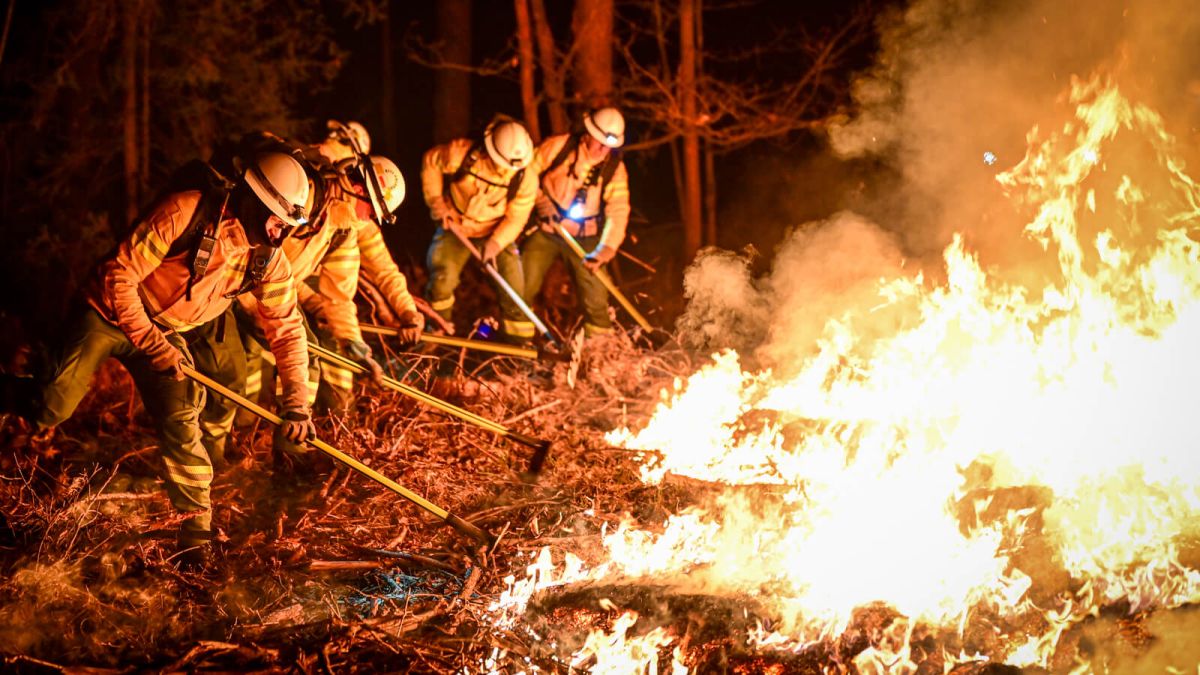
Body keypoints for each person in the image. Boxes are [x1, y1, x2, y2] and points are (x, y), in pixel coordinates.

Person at [7, 152, 315, 569]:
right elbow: (120, 275)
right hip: (108, 311)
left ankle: (195, 542)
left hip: (167, 334)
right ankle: (15, 385)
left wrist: (296, 402)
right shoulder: (184, 210)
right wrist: (151, 342)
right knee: (51, 405)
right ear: (253, 202)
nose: (280, 235)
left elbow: (287, 328)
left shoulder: (268, 260)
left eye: (287, 227)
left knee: (183, 415)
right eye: (277, 221)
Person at [420, 116, 538, 343]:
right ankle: (434, 336)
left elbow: (517, 218)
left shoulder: (526, 177)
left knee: (514, 288)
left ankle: (519, 348)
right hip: (455, 228)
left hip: (496, 234)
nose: (508, 171)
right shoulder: (462, 154)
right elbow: (431, 162)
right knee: (442, 279)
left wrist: (495, 243)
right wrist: (438, 205)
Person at [523, 107, 631, 337]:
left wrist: (605, 251)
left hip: (585, 239)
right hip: (546, 231)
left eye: (609, 146)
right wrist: (541, 203)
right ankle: (516, 345)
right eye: (600, 142)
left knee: (596, 297)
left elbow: (618, 209)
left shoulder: (615, 169)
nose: (603, 150)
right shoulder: (559, 147)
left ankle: (601, 352)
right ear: (588, 134)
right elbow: (526, 173)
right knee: (523, 284)